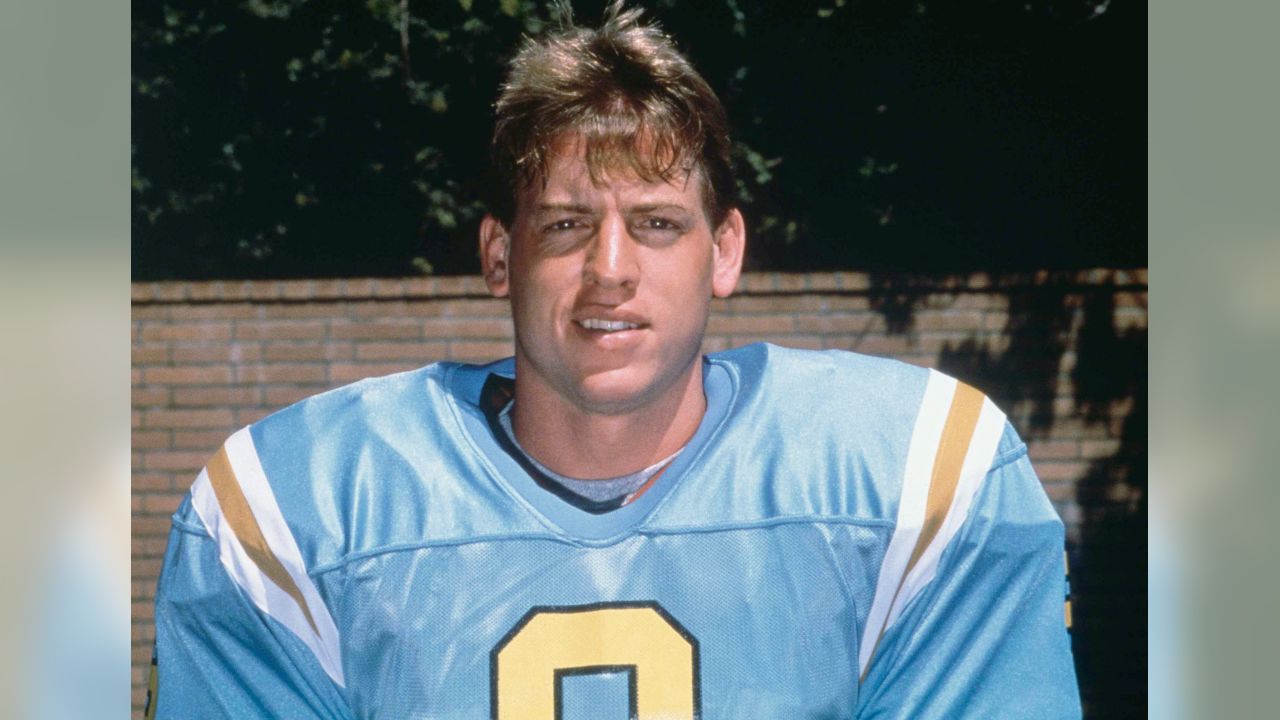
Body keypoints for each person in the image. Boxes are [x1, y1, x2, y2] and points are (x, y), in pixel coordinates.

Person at [147, 3, 1080, 717]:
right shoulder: (300, 511)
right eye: (564, 225)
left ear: (725, 251)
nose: (610, 270)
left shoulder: (914, 476)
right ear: (499, 256)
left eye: (657, 224)